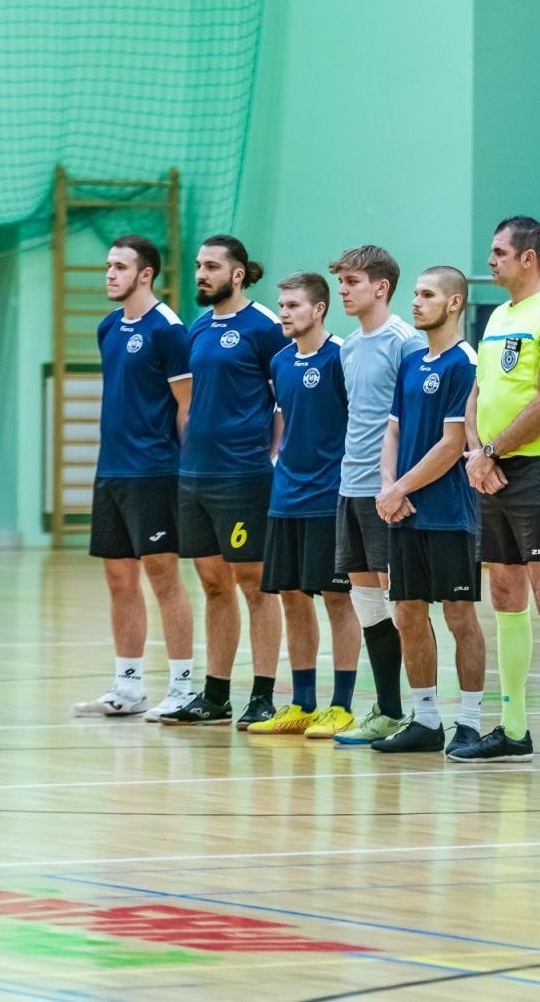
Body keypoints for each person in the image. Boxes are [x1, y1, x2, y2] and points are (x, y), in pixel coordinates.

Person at [451, 216, 540, 769]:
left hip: (538, 468)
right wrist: (476, 452)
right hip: (491, 466)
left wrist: (492, 451)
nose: (490, 261)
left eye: (499, 252)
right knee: (505, 594)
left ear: (529, 258)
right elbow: (478, 392)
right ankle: (512, 729)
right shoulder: (499, 316)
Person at [159, 235, 286, 728]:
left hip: (243, 477)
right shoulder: (197, 329)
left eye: (211, 266)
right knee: (214, 585)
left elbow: (285, 401)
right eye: (198, 265)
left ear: (237, 274)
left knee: (255, 585)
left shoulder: (266, 328)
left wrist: (268, 454)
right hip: (194, 476)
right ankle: (215, 695)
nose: (201, 274)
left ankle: (263, 695)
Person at [74, 234, 197, 722]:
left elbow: (187, 407)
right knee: (119, 579)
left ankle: (183, 687)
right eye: (109, 265)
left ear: (145, 274)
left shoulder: (168, 330)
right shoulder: (107, 327)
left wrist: (185, 472)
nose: (110, 274)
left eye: (120, 267)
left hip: (156, 472)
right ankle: (127, 687)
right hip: (112, 471)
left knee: (163, 577)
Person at [371, 266, 488, 755]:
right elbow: (393, 430)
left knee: (459, 615)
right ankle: (425, 720)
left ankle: (470, 722)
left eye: (427, 294)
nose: (416, 302)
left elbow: (452, 443)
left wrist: (398, 488)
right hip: (405, 512)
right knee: (407, 613)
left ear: (454, 303)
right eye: (416, 294)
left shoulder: (465, 362)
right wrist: (388, 489)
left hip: (449, 514)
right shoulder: (413, 362)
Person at [247, 272, 362, 737]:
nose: (284, 313)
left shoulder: (341, 358)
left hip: (329, 498)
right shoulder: (279, 361)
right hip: (286, 498)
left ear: (318, 309)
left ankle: (342, 705)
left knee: (337, 599)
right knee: (293, 598)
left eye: (293, 305)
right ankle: (302, 703)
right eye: (281, 305)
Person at [327, 245, 426, 746]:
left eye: (352, 282)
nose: (343, 291)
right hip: (350, 487)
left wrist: (400, 485)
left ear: (381, 287)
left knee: (403, 604)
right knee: (366, 603)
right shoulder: (348, 346)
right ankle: (388, 711)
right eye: (341, 282)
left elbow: (415, 422)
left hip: (388, 495)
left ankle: (425, 714)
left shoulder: (406, 343)